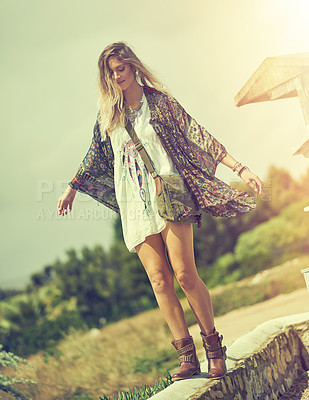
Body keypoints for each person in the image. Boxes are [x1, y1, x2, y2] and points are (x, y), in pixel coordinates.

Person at [57, 42, 263, 381]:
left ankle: (213, 348)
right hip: (134, 203)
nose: (116, 76)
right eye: (110, 73)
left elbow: (199, 135)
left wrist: (240, 169)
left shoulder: (160, 103)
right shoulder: (109, 114)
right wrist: (72, 188)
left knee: (184, 274)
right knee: (159, 280)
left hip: (169, 195)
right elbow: (94, 155)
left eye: (120, 68)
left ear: (133, 67)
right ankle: (186, 356)